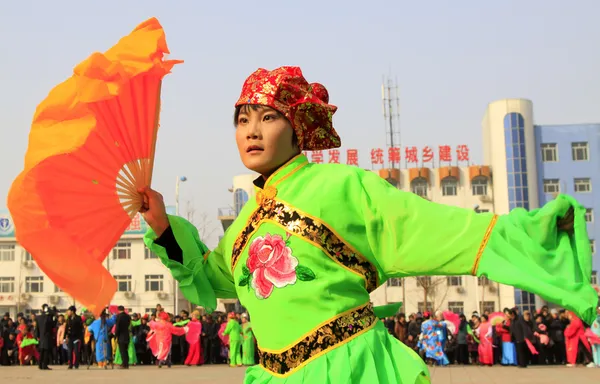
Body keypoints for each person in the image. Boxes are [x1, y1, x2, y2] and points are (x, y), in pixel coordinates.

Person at [140, 66, 598, 383]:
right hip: (274, 375)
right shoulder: (245, 222)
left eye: (269, 116)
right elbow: (213, 278)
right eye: (243, 119)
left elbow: (431, 226)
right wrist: (161, 224)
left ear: (298, 128)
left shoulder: (341, 185)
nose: (252, 131)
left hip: (348, 368)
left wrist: (524, 232)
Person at [35, 304, 54, 370]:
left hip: (41, 336)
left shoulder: (38, 317)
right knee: (46, 351)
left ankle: (40, 365)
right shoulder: (48, 317)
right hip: (47, 336)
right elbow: (52, 325)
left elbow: (37, 328)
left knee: (42, 351)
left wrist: (37, 336)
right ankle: (44, 365)